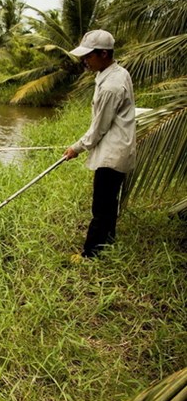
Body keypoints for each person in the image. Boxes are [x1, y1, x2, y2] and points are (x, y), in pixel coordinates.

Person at [63, 29, 136, 260]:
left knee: (101, 206)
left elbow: (98, 128)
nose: (85, 61)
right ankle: (108, 239)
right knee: (109, 200)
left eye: (88, 56)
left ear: (104, 54)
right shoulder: (116, 72)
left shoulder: (111, 86)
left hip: (112, 153)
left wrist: (76, 147)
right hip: (116, 147)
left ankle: (90, 254)